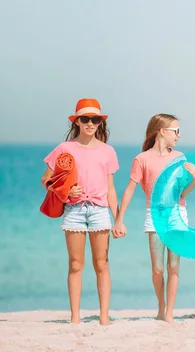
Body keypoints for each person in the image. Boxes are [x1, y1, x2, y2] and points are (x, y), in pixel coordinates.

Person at [112, 113, 195, 323]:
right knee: (158, 269)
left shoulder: (179, 158)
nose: (178, 136)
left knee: (174, 267)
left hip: (178, 214)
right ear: (162, 131)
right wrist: (119, 219)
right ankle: (161, 306)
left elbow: (182, 193)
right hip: (155, 215)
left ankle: (169, 313)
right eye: (175, 131)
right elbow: (130, 190)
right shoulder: (142, 159)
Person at [40, 98, 119, 325]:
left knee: (101, 263)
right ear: (77, 122)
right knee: (75, 264)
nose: (90, 123)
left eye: (95, 119)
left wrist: (118, 219)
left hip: (100, 210)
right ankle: (75, 318)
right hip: (74, 210)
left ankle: (104, 317)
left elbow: (111, 190)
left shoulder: (108, 151)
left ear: (99, 123)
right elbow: (46, 180)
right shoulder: (64, 149)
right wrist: (65, 190)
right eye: (85, 119)